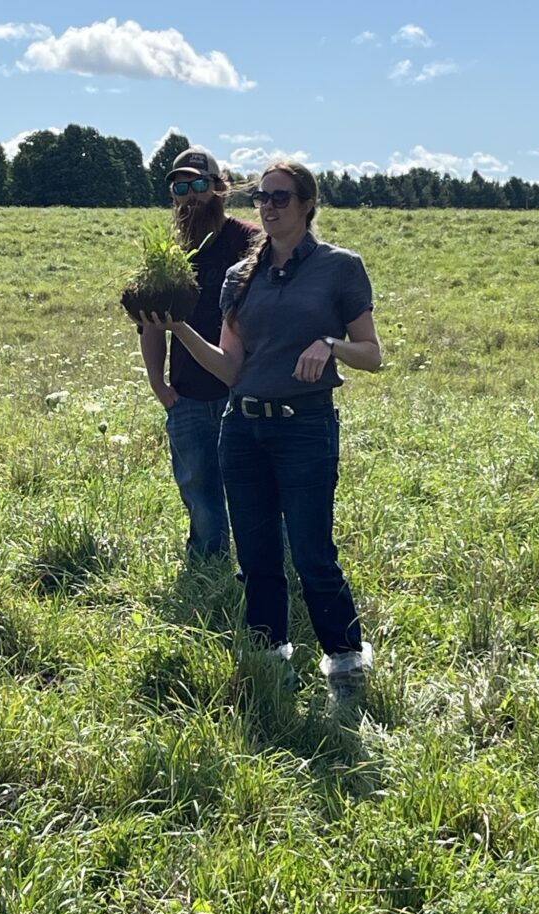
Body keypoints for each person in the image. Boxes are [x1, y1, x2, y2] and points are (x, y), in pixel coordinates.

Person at [141, 161, 382, 705]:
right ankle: (271, 665)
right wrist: (179, 327)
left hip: (305, 428)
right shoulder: (239, 276)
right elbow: (231, 369)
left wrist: (331, 345)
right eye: (262, 198)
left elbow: (373, 354)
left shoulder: (340, 267)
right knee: (256, 557)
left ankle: (346, 666)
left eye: (281, 197)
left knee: (312, 554)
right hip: (243, 428)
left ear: (307, 204)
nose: (269, 207)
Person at [138, 146, 259, 559]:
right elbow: (151, 322)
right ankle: (208, 564)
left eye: (199, 185)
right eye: (181, 188)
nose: (191, 197)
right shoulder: (167, 254)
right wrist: (159, 385)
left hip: (242, 391)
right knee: (197, 488)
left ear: (220, 187)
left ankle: (265, 566)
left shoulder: (250, 242)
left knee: (253, 486)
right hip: (187, 393)